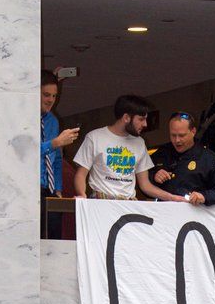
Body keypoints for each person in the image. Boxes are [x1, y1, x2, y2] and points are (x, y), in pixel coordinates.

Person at [72, 95, 177, 202]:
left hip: (129, 203)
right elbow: (81, 174)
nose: (145, 124)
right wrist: (82, 196)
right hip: (101, 201)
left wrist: (172, 197)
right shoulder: (95, 137)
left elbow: (145, 185)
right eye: (141, 119)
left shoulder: (139, 142)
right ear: (126, 118)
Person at [150, 112, 215, 205]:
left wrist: (204, 196)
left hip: (195, 215)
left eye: (182, 135)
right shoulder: (161, 154)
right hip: (164, 213)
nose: (177, 140)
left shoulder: (209, 158)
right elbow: (143, 182)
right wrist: (154, 176)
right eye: (173, 135)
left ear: (193, 132)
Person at [40, 70, 79, 238]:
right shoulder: (20, 118)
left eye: (54, 96)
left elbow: (56, 159)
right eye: (46, 95)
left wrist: (58, 188)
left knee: (53, 239)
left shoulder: (52, 121)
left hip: (49, 190)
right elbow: (23, 153)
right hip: (27, 190)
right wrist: (55, 142)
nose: (50, 100)